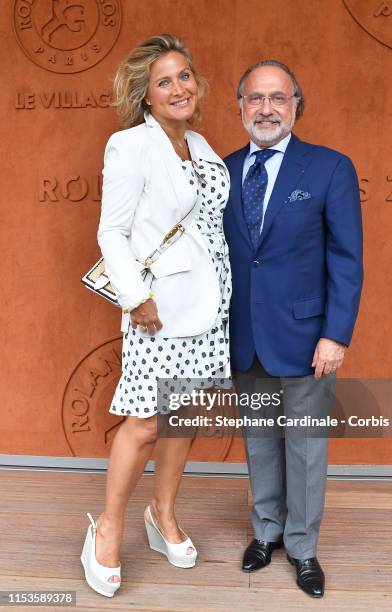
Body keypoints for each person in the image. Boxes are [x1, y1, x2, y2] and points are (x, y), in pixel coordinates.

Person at [81, 34, 231, 598]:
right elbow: (111, 231)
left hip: (213, 307)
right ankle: (110, 527)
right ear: (145, 94)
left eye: (185, 76)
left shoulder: (202, 144)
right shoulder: (129, 145)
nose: (178, 88)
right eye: (164, 81)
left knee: (186, 415)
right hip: (158, 311)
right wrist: (134, 296)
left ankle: (161, 514)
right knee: (146, 421)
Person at [223, 60, 363, 598]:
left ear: (296, 106)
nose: (266, 109)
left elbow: (347, 259)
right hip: (246, 335)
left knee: (304, 445)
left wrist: (336, 334)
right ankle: (267, 533)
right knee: (260, 441)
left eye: (277, 98)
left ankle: (303, 548)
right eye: (255, 98)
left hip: (309, 338)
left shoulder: (329, 168)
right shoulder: (223, 169)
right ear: (240, 108)